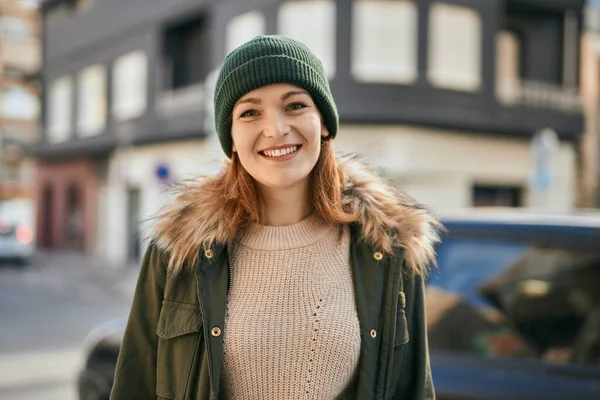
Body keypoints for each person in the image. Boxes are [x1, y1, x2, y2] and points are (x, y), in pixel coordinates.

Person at [110, 35, 442, 400]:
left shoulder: (386, 248)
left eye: (295, 105)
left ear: (324, 123)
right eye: (250, 112)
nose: (276, 129)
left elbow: (413, 390)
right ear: (231, 138)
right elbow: (134, 384)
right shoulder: (180, 250)